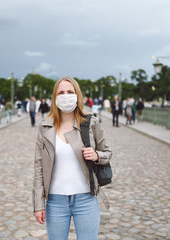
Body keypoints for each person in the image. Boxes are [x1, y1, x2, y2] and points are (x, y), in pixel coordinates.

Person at [33, 76, 112, 240]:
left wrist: (96, 155)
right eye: (61, 92)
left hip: (86, 199)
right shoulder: (45, 126)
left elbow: (107, 153)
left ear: (78, 95)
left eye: (70, 91)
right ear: (55, 97)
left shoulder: (90, 123)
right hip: (55, 202)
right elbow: (39, 167)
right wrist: (38, 204)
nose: (66, 95)